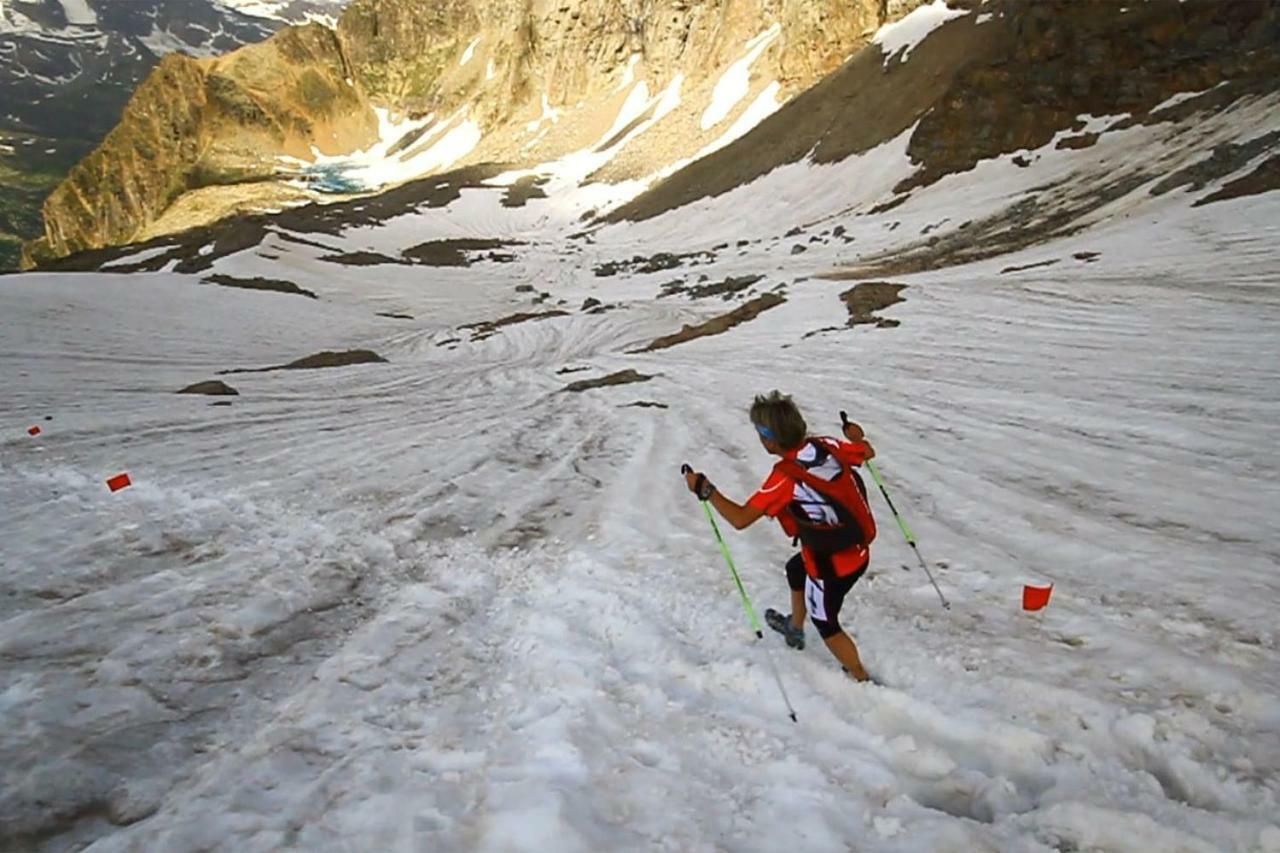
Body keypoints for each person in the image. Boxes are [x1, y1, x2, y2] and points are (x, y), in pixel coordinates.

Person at [683, 391, 878, 681]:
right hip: (855, 549)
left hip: (831, 564)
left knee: (826, 622)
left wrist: (705, 489)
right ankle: (795, 630)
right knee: (795, 570)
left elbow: (740, 519)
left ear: (769, 439)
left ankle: (860, 677)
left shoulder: (785, 477)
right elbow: (866, 452)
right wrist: (857, 437)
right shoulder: (827, 445)